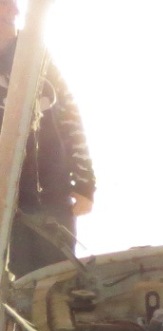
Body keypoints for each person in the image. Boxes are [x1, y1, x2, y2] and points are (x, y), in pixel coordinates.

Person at [0, 0, 96, 277]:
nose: (13, 10)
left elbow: (69, 114)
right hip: (8, 204)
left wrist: (85, 182)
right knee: (17, 284)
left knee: (58, 279)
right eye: (6, 4)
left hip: (52, 193)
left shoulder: (36, 55)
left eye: (12, 4)